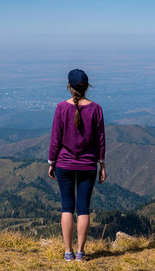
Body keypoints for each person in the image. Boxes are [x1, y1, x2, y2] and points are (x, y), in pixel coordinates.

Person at [48, 69, 106, 261]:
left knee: (67, 207)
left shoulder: (61, 108)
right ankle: (81, 252)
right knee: (83, 208)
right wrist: (102, 164)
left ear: (69, 86)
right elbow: (100, 139)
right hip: (88, 165)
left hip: (64, 164)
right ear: (87, 86)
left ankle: (68, 251)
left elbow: (56, 138)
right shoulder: (96, 109)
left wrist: (52, 162)